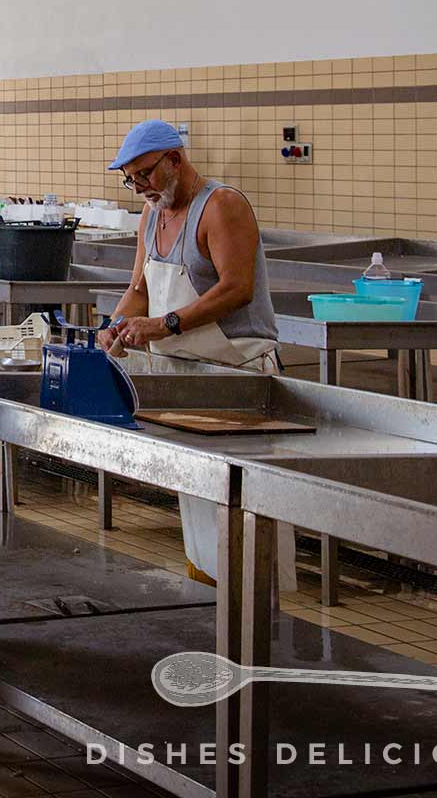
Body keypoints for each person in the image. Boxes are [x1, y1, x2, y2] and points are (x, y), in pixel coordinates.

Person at [97, 118, 290, 586]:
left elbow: (237, 288)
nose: (138, 186)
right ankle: (210, 605)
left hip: (237, 374)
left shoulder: (221, 206)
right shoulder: (152, 214)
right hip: (186, 374)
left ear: (176, 160)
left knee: (241, 505)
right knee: (199, 501)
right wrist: (116, 326)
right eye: (130, 178)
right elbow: (139, 289)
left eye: (144, 174)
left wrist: (166, 324)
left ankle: (254, 618)